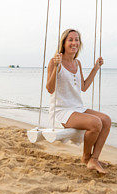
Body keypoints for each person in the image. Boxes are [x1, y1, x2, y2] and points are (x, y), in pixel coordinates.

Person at [46, 28, 111, 174]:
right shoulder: (55, 61)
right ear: (64, 43)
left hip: (76, 108)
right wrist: (56, 67)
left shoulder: (77, 63)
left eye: (77, 40)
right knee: (96, 123)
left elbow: (84, 87)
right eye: (70, 40)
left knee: (106, 120)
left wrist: (96, 67)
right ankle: (86, 158)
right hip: (61, 110)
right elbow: (50, 89)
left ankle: (94, 159)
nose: (74, 42)